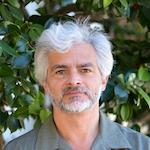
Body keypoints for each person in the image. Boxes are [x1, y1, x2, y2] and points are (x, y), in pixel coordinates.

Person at [5, 18, 150, 150]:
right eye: (60, 71)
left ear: (104, 80)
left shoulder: (142, 146)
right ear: (45, 83)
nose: (74, 81)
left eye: (85, 70)